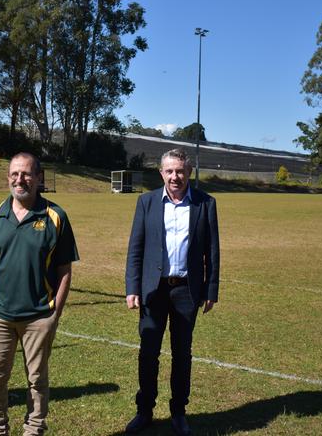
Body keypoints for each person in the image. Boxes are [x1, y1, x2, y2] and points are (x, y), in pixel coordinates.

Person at [0, 152, 79, 436]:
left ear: (38, 178)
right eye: (15, 174)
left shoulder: (55, 216)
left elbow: (64, 270)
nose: (20, 179)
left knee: (36, 380)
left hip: (38, 316)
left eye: (27, 174)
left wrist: (54, 313)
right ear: (8, 177)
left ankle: (33, 430)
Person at [124, 148, 219, 436]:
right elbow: (135, 248)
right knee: (148, 352)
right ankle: (144, 411)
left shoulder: (205, 204)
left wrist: (211, 289)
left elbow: (212, 251)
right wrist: (132, 288)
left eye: (180, 170)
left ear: (188, 172)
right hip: (154, 291)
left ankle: (179, 412)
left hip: (186, 292)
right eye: (170, 171)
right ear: (161, 173)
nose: (175, 176)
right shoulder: (147, 202)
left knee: (182, 355)